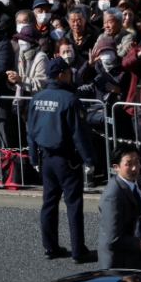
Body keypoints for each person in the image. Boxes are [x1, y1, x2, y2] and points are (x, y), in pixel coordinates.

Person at [27, 57, 98, 263]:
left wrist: (33, 157)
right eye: (68, 73)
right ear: (60, 75)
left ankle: (50, 247)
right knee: (73, 204)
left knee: (49, 203)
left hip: (46, 158)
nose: (70, 76)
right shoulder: (69, 100)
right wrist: (90, 160)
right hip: (66, 159)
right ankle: (79, 250)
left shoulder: (37, 98)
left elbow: (30, 131)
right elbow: (79, 134)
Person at [98, 144, 141, 270]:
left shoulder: (135, 179)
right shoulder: (113, 196)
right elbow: (112, 238)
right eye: (128, 164)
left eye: (137, 161)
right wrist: (137, 243)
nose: (135, 167)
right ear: (116, 167)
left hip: (136, 252)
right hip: (119, 260)